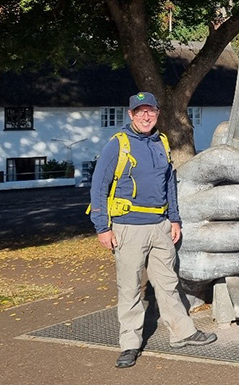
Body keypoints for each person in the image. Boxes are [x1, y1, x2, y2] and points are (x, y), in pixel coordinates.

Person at [89, 92, 217, 369]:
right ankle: (130, 344)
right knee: (130, 288)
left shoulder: (161, 142)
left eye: (151, 112)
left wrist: (174, 219)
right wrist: (102, 227)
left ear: (158, 114)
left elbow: (169, 184)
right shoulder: (118, 145)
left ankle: (182, 333)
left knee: (168, 283)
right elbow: (98, 186)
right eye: (140, 112)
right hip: (128, 228)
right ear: (131, 114)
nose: (146, 117)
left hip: (160, 226)